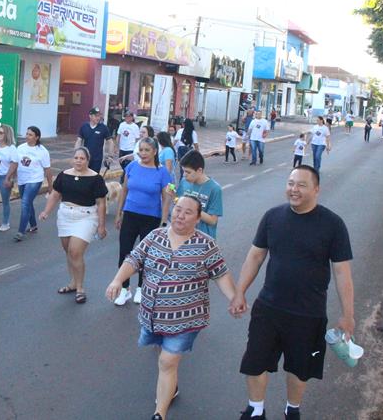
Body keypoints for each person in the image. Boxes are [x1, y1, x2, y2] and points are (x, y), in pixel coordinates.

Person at [231, 166, 354, 420]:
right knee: (255, 361)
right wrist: (239, 292)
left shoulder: (333, 225)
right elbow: (255, 256)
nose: (293, 189)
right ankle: (256, 409)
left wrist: (348, 315)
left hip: (308, 313)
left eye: (301, 185)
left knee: (300, 368)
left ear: (316, 189)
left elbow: (342, 273)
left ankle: (292, 409)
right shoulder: (272, 217)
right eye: (290, 183)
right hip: (269, 307)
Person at [106, 195, 238, 420]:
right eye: (178, 209)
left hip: (185, 320)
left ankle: (160, 413)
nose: (180, 215)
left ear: (197, 219)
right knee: (162, 354)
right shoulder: (155, 236)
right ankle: (171, 386)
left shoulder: (206, 244)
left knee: (167, 362)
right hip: (152, 316)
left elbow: (221, 274)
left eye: (188, 212)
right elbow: (134, 260)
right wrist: (118, 280)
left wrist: (234, 298)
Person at [39, 147, 108, 304]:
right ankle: (72, 283)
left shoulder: (95, 178)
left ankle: (80, 288)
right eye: (76, 157)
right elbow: (55, 194)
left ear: (87, 161)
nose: (78, 161)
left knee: (75, 251)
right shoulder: (64, 175)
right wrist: (46, 212)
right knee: (68, 252)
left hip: (86, 217)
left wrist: (101, 226)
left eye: (82, 158)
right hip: (65, 216)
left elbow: (101, 203)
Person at [113, 137, 172, 306]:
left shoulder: (162, 173)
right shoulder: (131, 167)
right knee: (124, 252)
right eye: (141, 149)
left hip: (151, 218)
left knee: (145, 256)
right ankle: (124, 289)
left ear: (154, 152)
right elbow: (124, 191)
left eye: (147, 150)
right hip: (130, 214)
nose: (143, 153)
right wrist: (119, 214)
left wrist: (163, 221)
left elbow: (166, 198)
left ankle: (141, 288)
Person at [169, 150, 223, 239]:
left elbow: (213, 221)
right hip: (183, 235)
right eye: (183, 171)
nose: (184, 175)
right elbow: (178, 203)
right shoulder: (184, 182)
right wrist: (173, 195)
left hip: (203, 239)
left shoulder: (214, 189)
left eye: (188, 172)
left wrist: (193, 209)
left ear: (199, 170)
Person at [14, 126, 53, 242]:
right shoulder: (20, 148)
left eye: (30, 135)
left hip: (35, 180)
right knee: (28, 202)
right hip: (22, 180)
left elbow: (48, 170)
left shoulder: (42, 151)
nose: (27, 136)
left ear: (37, 137)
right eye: (26, 134)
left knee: (25, 203)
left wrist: (50, 186)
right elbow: (15, 163)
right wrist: (10, 177)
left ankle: (20, 231)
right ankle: (33, 225)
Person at [76, 106, 114, 173]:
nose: (98, 118)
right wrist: (76, 154)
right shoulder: (84, 126)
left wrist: (110, 156)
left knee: (94, 178)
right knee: (83, 176)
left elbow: (110, 142)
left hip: (97, 159)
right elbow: (79, 140)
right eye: (96, 116)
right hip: (85, 158)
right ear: (90, 116)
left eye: (99, 116)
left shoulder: (103, 128)